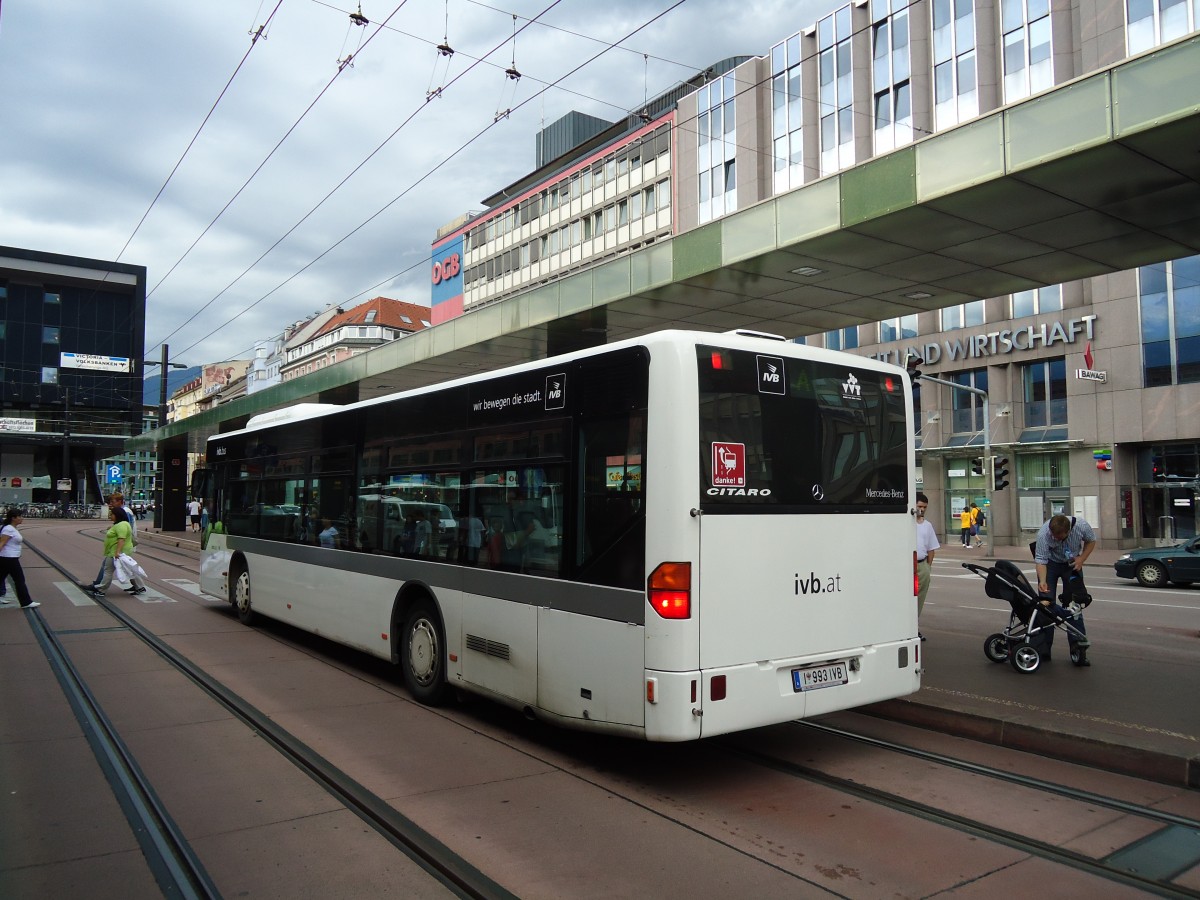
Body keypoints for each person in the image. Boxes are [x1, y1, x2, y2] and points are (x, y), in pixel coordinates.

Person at [1032, 513, 1095, 665]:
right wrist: (1042, 581)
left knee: (1075, 606)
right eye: (1054, 536)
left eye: (1059, 537)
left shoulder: (1081, 526)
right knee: (1046, 605)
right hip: (1050, 565)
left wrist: (1081, 559)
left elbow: (1091, 541)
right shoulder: (1043, 534)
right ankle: (1043, 649)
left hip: (1072, 564)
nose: (1056, 539)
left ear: (1068, 532)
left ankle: (1078, 648)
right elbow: (1040, 560)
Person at [90, 507, 147, 596]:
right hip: (119, 551)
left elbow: (121, 539)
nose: (110, 515)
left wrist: (117, 552)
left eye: (112, 514)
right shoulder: (122, 524)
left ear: (117, 515)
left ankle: (101, 590)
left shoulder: (122, 525)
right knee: (128, 569)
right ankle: (140, 587)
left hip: (116, 552)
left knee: (108, 570)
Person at [0, 508, 40, 609]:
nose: (22, 518)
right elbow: (2, 543)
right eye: (20, 516)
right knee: (19, 580)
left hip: (8, 557)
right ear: (13, 518)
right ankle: (26, 602)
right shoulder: (8, 529)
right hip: (9, 558)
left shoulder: (11, 528)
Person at [914, 493, 939, 642]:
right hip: (906, 567)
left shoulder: (927, 525)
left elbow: (931, 548)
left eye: (924, 507)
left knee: (919, 599)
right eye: (919, 506)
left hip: (922, 565)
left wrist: (928, 567)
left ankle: (914, 628)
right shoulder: (906, 522)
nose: (922, 510)